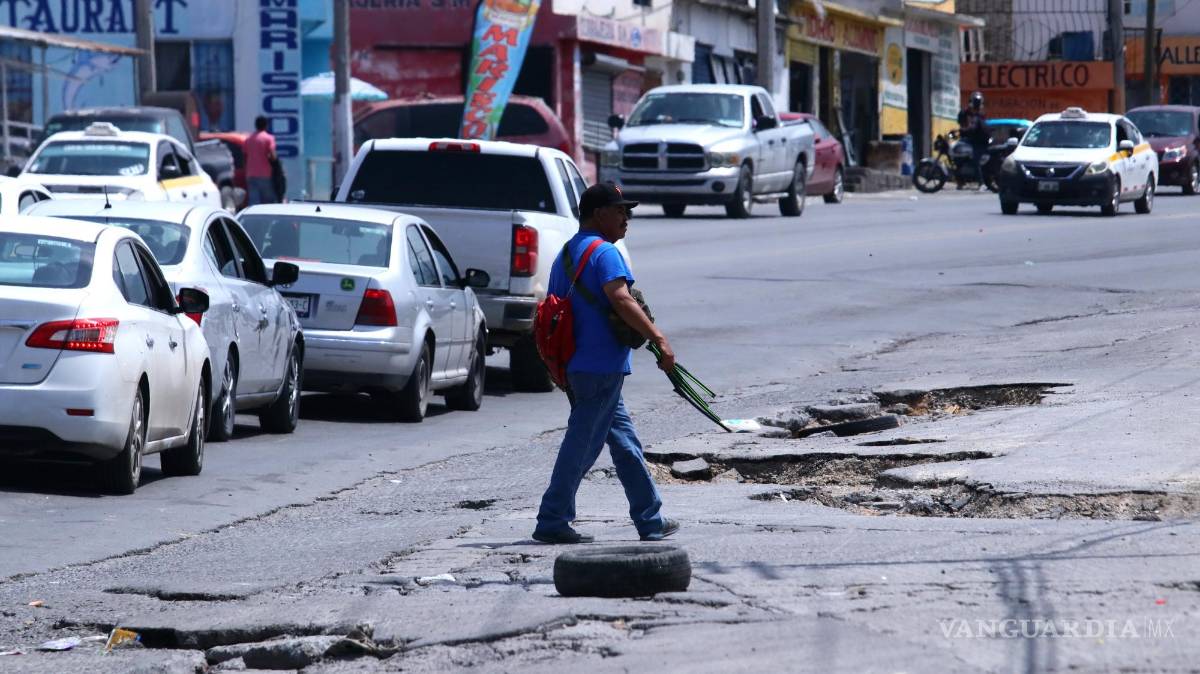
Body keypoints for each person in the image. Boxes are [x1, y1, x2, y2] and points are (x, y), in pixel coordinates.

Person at [532, 183, 680, 545]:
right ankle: (552, 518)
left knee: (625, 442)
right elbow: (622, 300)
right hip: (599, 368)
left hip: (576, 365)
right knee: (581, 445)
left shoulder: (566, 253)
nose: (626, 218)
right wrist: (659, 338)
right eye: (620, 211)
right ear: (599, 214)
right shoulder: (606, 254)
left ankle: (650, 518)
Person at [957, 91, 990, 189]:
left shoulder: (979, 115)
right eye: (975, 102)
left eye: (978, 102)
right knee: (959, 154)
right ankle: (961, 180)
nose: (976, 104)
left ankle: (981, 183)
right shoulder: (965, 112)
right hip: (969, 138)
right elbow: (961, 122)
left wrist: (965, 130)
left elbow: (974, 128)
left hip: (978, 141)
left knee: (976, 161)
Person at [245, 115, 279, 205]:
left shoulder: (249, 139)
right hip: (265, 174)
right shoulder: (269, 138)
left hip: (251, 174)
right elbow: (273, 155)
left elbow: (245, 154)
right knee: (268, 202)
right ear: (266, 125)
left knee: (254, 201)